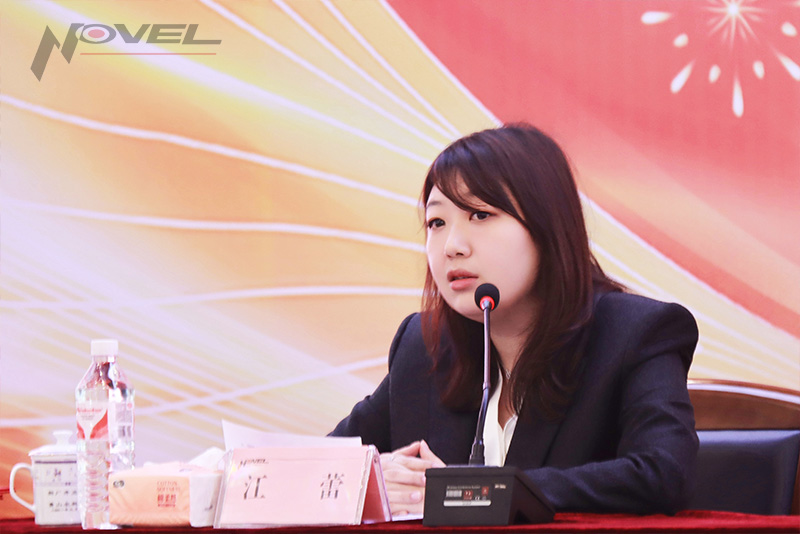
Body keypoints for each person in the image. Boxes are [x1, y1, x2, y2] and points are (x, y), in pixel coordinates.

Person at [330, 123, 699, 516]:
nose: (452, 246)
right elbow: (317, 467)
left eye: (480, 214)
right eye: (437, 222)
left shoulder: (636, 333)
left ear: (546, 227)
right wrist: (369, 479)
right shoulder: (423, 345)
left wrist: (475, 490)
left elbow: (662, 474)